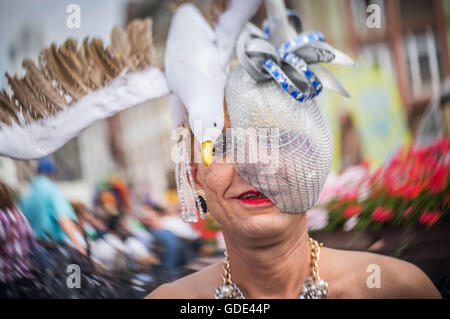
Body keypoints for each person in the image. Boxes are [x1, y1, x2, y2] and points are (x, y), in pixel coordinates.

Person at [148, 1, 440, 299]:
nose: (255, 164)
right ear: (195, 173)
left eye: (276, 138)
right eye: (224, 145)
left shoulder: (396, 289)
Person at [19, 157, 86, 255]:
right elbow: (63, 218)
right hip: (53, 251)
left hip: (33, 253)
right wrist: (79, 247)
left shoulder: (26, 194)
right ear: (52, 173)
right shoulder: (52, 190)